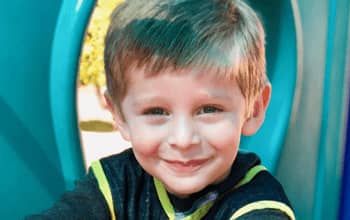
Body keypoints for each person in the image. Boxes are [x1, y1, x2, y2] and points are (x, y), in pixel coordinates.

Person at [27, 0, 295, 219]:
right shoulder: (118, 183)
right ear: (119, 115)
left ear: (255, 108)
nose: (182, 139)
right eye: (156, 111)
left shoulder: (259, 204)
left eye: (209, 109)